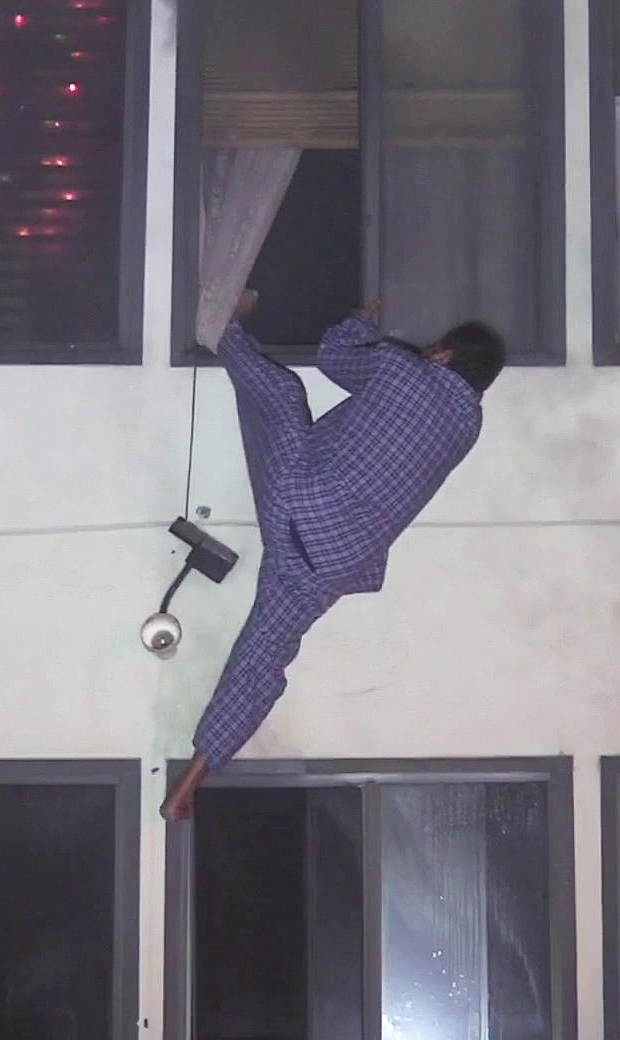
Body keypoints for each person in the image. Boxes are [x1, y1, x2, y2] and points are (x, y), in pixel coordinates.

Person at [160, 290, 506, 820]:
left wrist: (360, 322)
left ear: (442, 354)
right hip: (331, 566)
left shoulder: (401, 368)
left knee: (281, 392)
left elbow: (334, 358)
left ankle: (223, 327)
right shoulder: (468, 428)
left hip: (302, 505)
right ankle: (198, 773)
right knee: (264, 658)